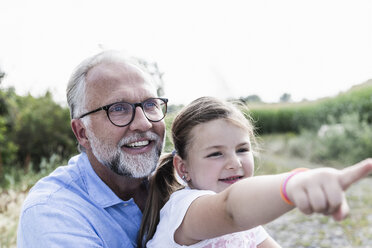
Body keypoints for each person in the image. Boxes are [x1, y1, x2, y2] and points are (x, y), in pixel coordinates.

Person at [138, 96, 372, 248]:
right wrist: (293, 185)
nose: (234, 163)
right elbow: (230, 209)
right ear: (183, 167)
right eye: (215, 154)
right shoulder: (185, 208)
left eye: (242, 149)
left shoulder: (250, 220)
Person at [17, 50, 168, 247]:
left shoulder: (182, 178)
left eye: (150, 104)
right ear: (82, 132)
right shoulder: (53, 212)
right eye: (118, 108)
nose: (144, 123)